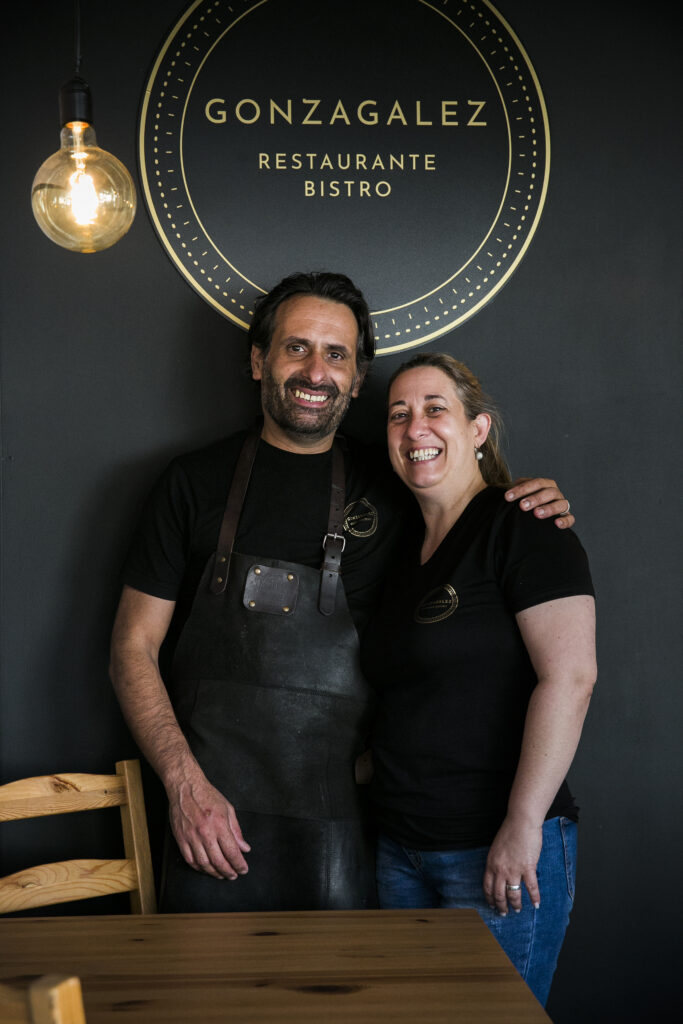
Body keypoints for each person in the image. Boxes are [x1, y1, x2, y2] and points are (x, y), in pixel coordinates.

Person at [109, 271, 575, 913]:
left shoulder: (399, 484)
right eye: (296, 347)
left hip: (351, 829)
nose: (316, 371)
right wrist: (184, 785)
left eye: (337, 355)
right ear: (257, 359)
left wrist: (524, 501)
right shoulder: (190, 483)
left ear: (357, 380)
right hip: (210, 826)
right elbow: (132, 647)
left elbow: (468, 513)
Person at [360, 352, 596, 1006]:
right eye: (398, 414)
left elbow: (570, 677)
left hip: (496, 849)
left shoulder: (524, 526)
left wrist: (521, 826)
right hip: (401, 850)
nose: (415, 428)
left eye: (435, 409)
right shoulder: (400, 551)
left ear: (477, 429)